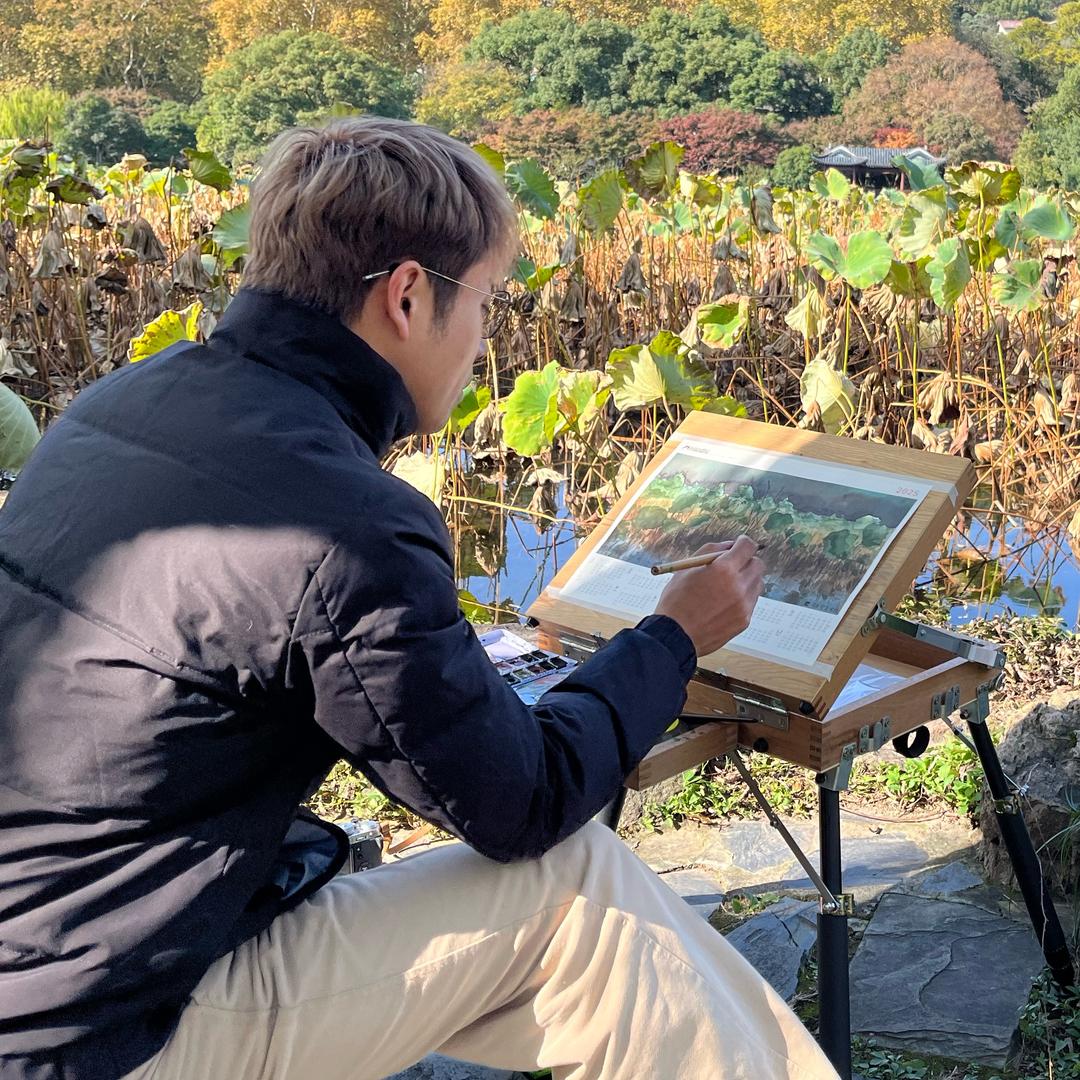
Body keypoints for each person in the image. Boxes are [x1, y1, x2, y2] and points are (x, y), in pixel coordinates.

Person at [0, 116, 837, 1080]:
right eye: (485, 301)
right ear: (406, 296)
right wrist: (673, 637)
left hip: (45, 950)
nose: (486, 337)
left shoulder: (124, 401)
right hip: (93, 1033)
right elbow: (524, 805)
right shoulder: (348, 522)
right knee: (577, 895)